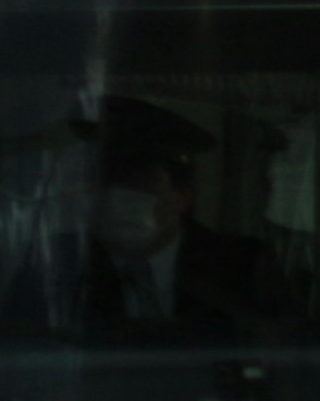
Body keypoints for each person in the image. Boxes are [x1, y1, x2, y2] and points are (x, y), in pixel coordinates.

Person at [83, 115, 295, 335]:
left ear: (183, 195)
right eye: (105, 184)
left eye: (142, 183)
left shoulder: (243, 264)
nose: (119, 199)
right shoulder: (68, 264)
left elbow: (280, 349)